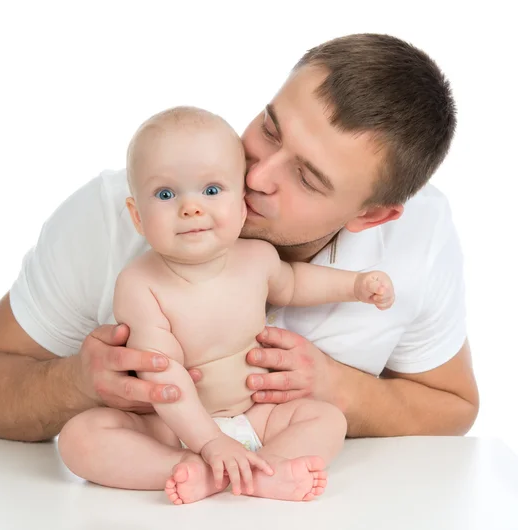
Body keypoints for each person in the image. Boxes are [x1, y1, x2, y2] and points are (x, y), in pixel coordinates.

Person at [0, 33, 479, 446]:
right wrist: (78, 383)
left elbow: (454, 407)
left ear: (372, 216)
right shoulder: (118, 211)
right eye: (270, 129)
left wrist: (341, 390)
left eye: (307, 178)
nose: (256, 176)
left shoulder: (420, 237)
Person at [57, 106, 395, 504]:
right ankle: (188, 470)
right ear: (137, 217)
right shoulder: (139, 284)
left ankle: (266, 470)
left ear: (241, 205)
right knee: (79, 439)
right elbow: (163, 377)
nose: (191, 208)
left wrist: (355, 285)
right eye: (165, 194)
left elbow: (296, 284)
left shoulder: (257, 258)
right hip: (172, 428)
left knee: (326, 418)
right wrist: (209, 442)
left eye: (212, 190)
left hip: (256, 416)